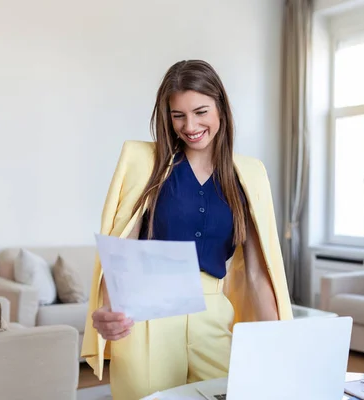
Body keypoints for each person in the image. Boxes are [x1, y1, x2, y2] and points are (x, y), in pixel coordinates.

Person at [81, 60, 293, 400]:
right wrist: (109, 309)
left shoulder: (249, 174)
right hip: (147, 316)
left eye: (200, 111)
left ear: (221, 108)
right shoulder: (144, 162)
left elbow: (256, 274)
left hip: (213, 313)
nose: (190, 125)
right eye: (177, 115)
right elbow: (122, 250)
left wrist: (276, 344)